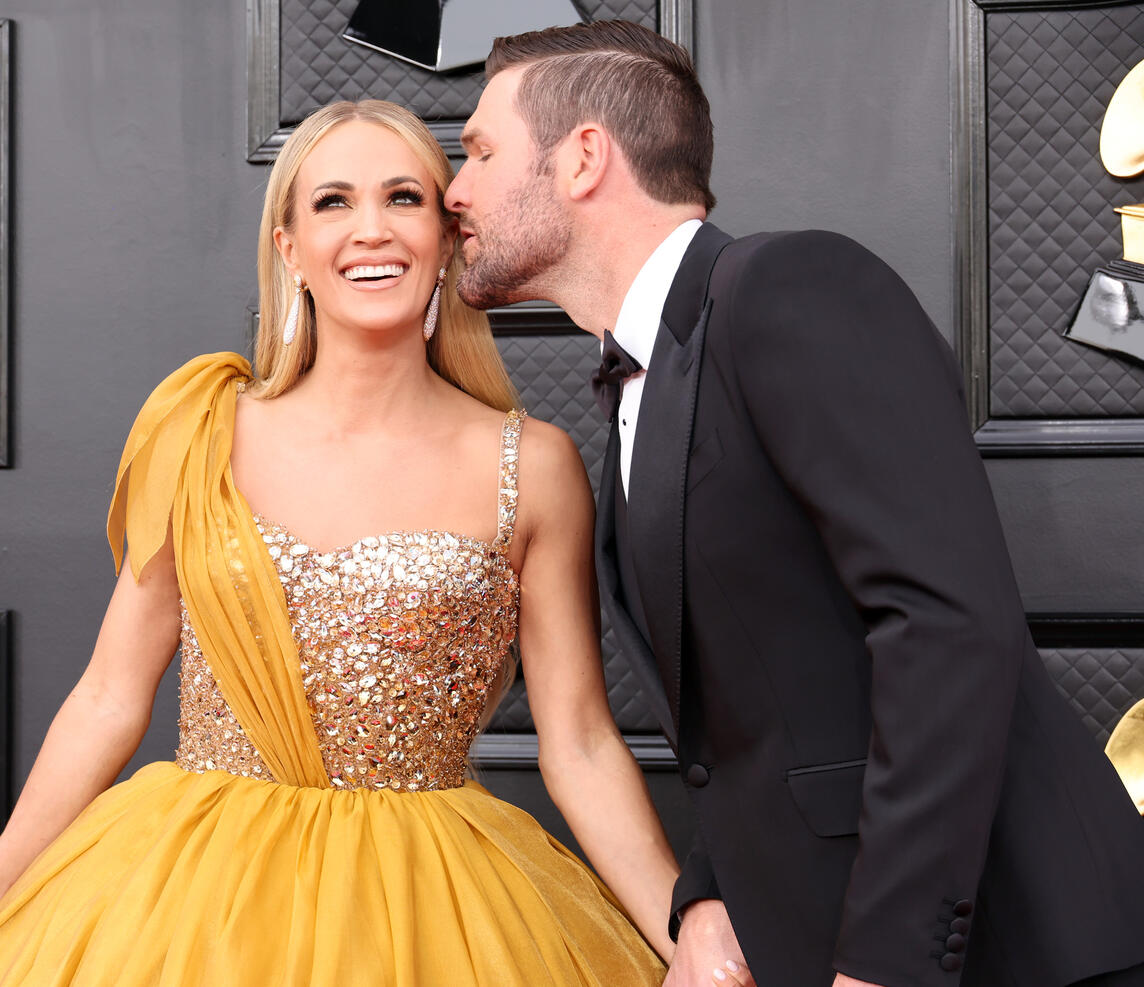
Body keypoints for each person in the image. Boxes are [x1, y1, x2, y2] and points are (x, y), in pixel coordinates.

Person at [0, 99, 676, 987]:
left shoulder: (533, 465)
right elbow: (109, 697)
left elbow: (577, 740)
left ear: (447, 236)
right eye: (334, 203)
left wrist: (687, 933)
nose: (371, 230)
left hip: (430, 913)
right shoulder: (199, 432)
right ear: (289, 249)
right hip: (190, 908)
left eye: (404, 199)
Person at [444, 19, 1144, 987]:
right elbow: (749, 728)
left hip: (1004, 953)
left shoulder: (790, 288)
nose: (455, 189)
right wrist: (706, 898)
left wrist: (884, 963)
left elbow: (945, 627)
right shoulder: (639, 387)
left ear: (583, 158)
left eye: (479, 150)